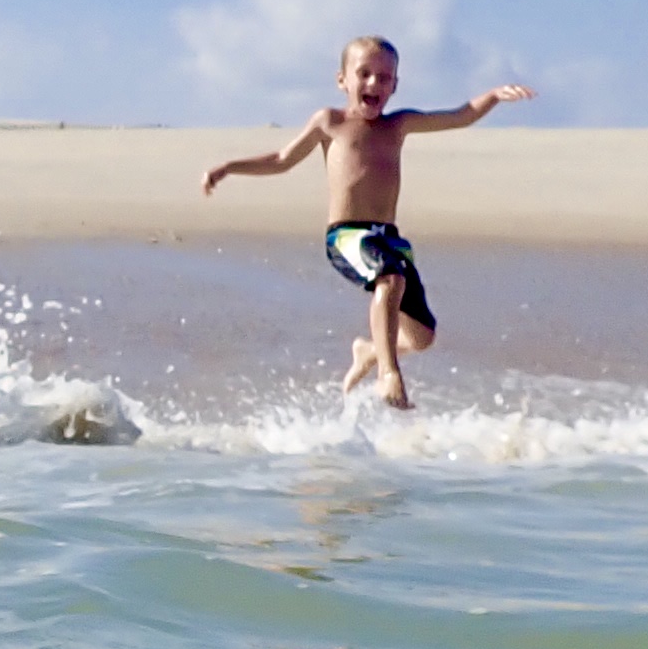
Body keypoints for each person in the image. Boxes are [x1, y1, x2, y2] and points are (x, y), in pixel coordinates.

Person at [201, 34, 535, 408]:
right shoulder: (329, 122)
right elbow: (281, 159)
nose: (374, 83)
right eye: (364, 74)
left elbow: (460, 116)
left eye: (384, 77)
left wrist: (492, 96)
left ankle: (370, 351)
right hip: (346, 236)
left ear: (395, 85)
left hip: (389, 239)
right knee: (389, 279)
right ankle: (388, 372)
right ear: (342, 80)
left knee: (422, 336)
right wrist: (229, 167)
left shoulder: (399, 125)